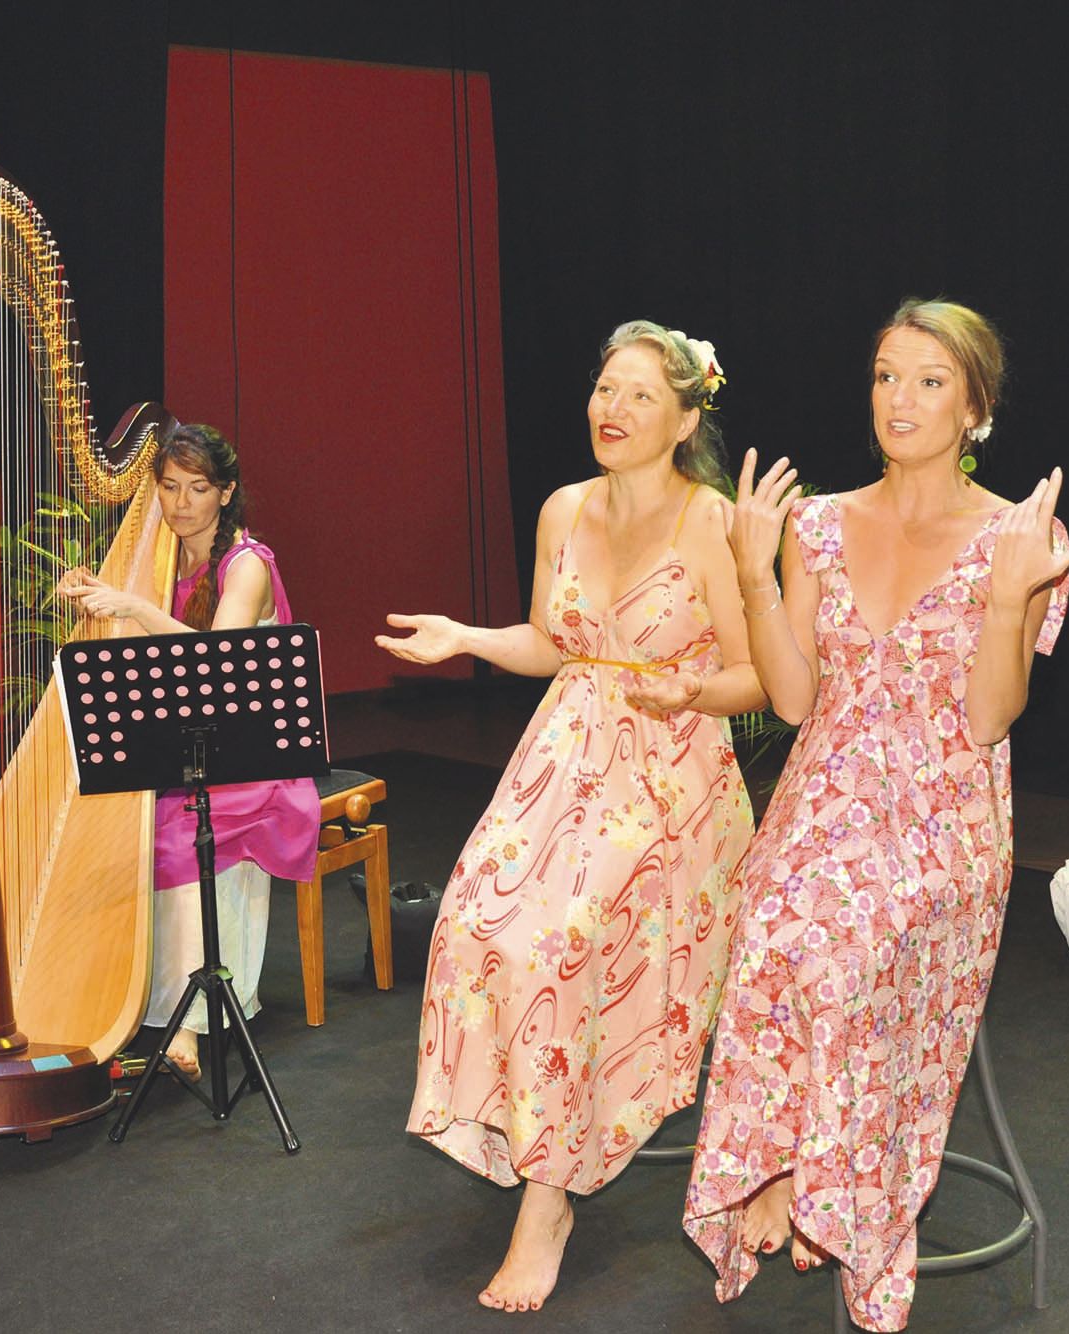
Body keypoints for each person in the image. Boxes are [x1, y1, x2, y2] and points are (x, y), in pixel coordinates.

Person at [681, 300, 1069, 1331]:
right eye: (883, 375)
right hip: (825, 798)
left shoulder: (1018, 537)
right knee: (776, 917)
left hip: (942, 816)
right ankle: (787, 1162)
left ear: (974, 407)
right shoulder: (817, 524)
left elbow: (992, 716)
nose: (898, 400)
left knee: (850, 939)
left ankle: (851, 1205)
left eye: (927, 380)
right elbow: (788, 698)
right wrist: (752, 569)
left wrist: (1008, 600)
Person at [378, 321, 762, 1313]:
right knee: (471, 921)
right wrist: (465, 635)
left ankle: (545, 1200)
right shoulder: (561, 507)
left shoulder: (711, 522)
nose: (612, 407)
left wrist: (693, 697)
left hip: (672, 778)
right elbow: (553, 644)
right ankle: (528, 1126)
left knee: (556, 946)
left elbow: (762, 673)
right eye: (603, 387)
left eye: (638, 394)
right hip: (565, 757)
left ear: (684, 418)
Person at [57, 422, 319, 1080]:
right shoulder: (163, 559)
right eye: (169, 488)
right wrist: (94, 594)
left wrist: (134, 610)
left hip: (253, 757)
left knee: (179, 837)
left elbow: (216, 661)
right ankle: (130, 1000)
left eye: (197, 489)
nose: (180, 503)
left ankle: (193, 1026)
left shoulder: (247, 563)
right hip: (191, 753)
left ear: (225, 493)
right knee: (130, 831)